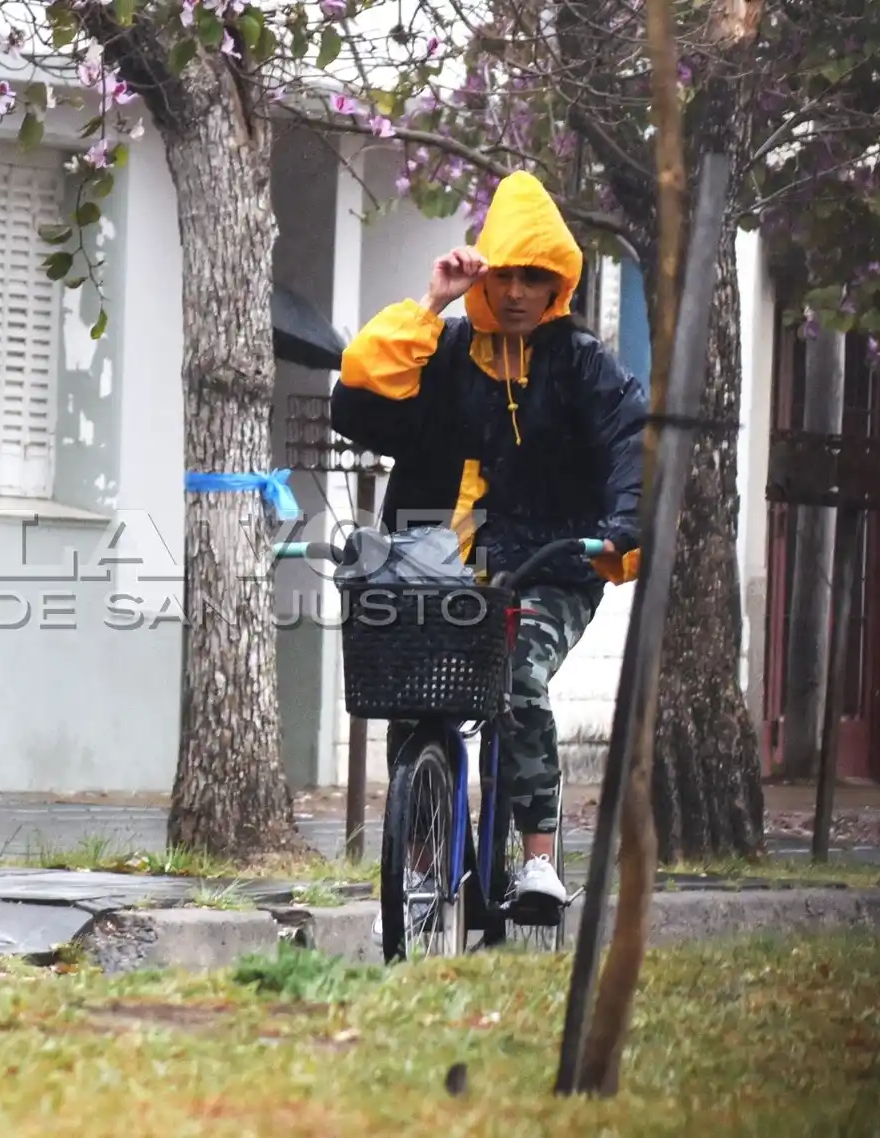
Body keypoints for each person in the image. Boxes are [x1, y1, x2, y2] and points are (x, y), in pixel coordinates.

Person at [330, 170, 646, 938]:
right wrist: (432, 302)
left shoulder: (582, 364)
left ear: (558, 286)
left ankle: (539, 859)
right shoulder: (447, 350)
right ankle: (414, 877)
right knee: (415, 705)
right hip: (439, 564)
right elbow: (359, 398)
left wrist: (625, 525)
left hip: (551, 563)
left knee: (521, 679)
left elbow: (630, 440)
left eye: (535, 279)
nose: (516, 293)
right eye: (505, 274)